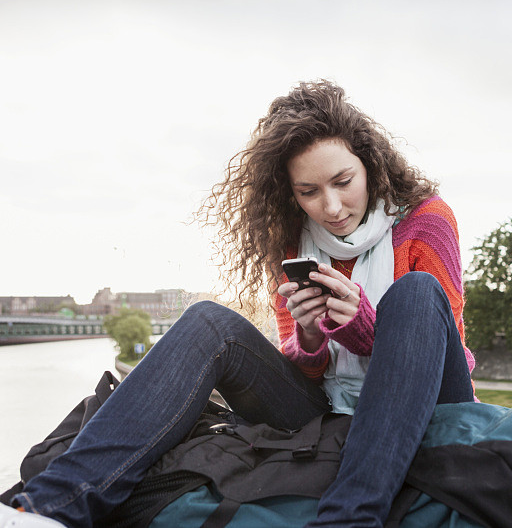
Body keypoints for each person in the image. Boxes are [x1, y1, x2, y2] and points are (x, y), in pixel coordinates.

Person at [0, 80, 476, 528]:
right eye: (309, 192)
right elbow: (302, 366)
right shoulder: (294, 241)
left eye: (343, 181)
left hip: (431, 400)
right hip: (331, 408)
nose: (331, 207)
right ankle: (47, 507)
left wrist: (358, 326)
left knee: (414, 291)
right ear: (290, 193)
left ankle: (349, 518)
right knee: (209, 322)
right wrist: (310, 335)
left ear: (370, 164)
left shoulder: (426, 220)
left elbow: (432, 338)